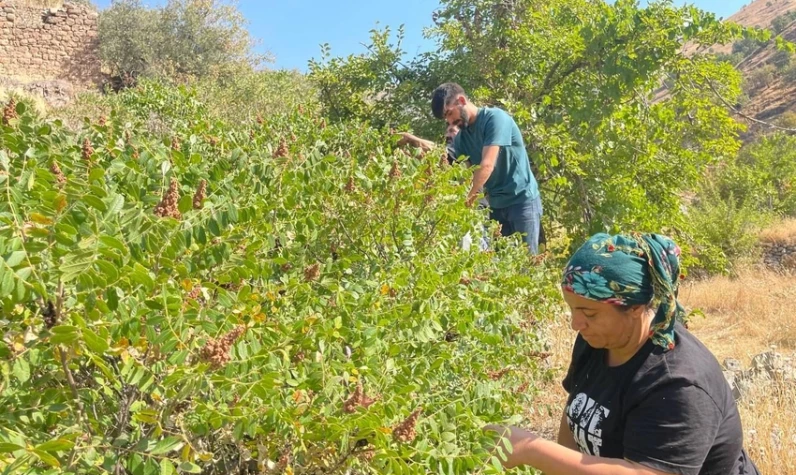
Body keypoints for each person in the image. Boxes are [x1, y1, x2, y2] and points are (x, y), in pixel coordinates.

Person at [484, 232, 759, 475]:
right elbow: (575, 413)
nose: (575, 324)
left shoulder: (678, 383)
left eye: (589, 313)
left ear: (635, 308)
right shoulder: (597, 341)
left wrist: (531, 451)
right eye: (572, 309)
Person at [399, 83, 544, 254]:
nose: (450, 121)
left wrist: (468, 201)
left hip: (522, 201)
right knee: (503, 266)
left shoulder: (495, 119)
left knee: (528, 262)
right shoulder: (463, 137)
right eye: (446, 119)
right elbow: (446, 157)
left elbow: (487, 165)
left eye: (449, 113)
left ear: (461, 100)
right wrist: (414, 142)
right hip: (496, 205)